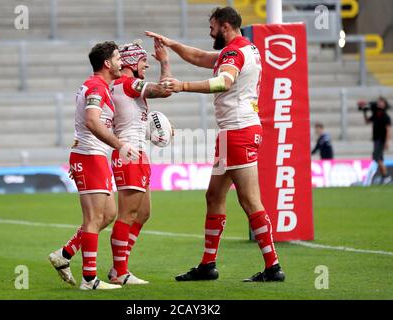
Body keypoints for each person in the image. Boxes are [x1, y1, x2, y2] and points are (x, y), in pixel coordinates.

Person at [146, 6, 285, 282]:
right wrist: (172, 45)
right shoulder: (245, 49)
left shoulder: (233, 53)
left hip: (238, 130)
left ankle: (273, 267)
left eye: (212, 27)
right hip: (234, 131)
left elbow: (224, 81)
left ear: (224, 26)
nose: (210, 32)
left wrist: (182, 86)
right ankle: (208, 265)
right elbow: (200, 56)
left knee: (249, 200)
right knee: (214, 196)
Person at [48, 41, 139, 290]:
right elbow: (91, 121)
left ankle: (65, 255)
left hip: (92, 156)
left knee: (107, 214)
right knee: (93, 218)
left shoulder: (98, 86)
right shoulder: (96, 87)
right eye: (119, 58)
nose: (122, 63)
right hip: (90, 156)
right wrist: (120, 145)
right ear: (108, 63)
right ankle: (89, 279)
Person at [107, 39, 173, 285]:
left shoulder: (123, 86)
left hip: (138, 152)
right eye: (144, 62)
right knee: (127, 214)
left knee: (143, 213)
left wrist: (154, 131)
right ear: (133, 63)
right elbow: (165, 89)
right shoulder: (128, 83)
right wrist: (164, 60)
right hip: (129, 154)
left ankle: (119, 265)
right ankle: (119, 272)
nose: (146, 66)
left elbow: (130, 120)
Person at [359, 96, 392, 184]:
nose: (379, 103)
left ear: (385, 104)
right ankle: (384, 176)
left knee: (376, 158)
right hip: (376, 139)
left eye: (381, 102)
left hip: (381, 140)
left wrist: (386, 142)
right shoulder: (376, 115)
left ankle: (386, 176)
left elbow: (388, 130)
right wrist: (364, 112)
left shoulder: (386, 117)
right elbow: (367, 121)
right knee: (379, 159)